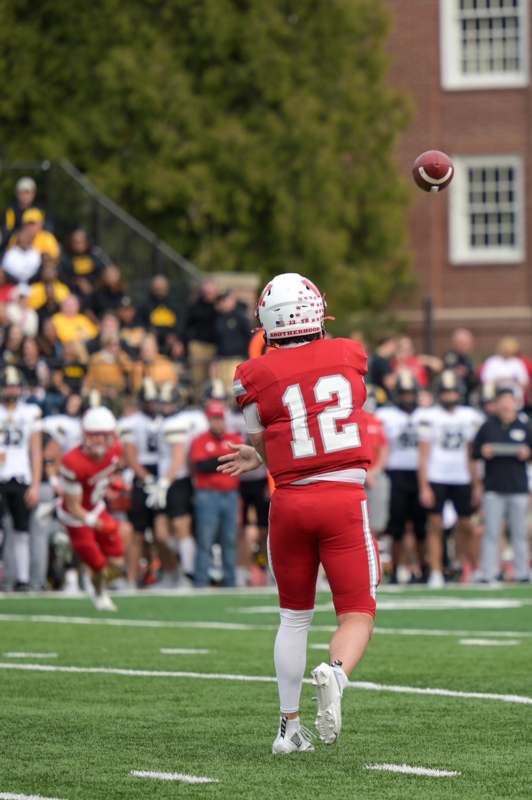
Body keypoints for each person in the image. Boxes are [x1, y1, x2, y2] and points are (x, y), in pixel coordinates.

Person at [218, 273, 378, 754]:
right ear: (316, 313)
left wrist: (258, 458)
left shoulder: (252, 373)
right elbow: (330, 413)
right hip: (343, 497)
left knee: (293, 618)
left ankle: (288, 730)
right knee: (358, 613)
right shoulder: (349, 353)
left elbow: (266, 438)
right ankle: (335, 671)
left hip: (289, 501)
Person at [58, 406, 129, 611]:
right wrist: (95, 523)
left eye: (104, 435)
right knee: (98, 564)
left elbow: (106, 474)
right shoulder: (73, 462)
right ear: (85, 435)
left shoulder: (115, 451)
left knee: (117, 563)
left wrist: (114, 483)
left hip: (96, 507)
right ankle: (99, 594)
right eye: (94, 435)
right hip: (77, 518)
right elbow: (73, 506)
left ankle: (96, 585)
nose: (99, 440)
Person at [417, 370, 483, 587]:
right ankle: (436, 571)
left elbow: (473, 454)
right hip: (437, 475)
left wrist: (476, 483)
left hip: (462, 476)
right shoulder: (429, 416)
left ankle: (467, 567)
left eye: (453, 391)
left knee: (466, 525)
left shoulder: (470, 416)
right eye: (446, 392)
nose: (450, 396)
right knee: (435, 524)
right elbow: (424, 454)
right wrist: (424, 485)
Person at [119, 379, 176, 586]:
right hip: (143, 479)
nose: (152, 405)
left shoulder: (165, 422)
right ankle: (131, 579)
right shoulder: (131, 423)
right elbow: (131, 457)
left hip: (161, 479)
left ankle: (171, 574)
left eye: (154, 401)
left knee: (162, 533)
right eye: (148, 401)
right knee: (137, 533)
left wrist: (162, 481)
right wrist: (148, 479)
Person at [472, 388, 532, 584]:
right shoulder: (488, 426)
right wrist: (483, 451)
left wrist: (527, 453)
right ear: (496, 405)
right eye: (502, 402)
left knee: (519, 533)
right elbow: (474, 451)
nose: (506, 406)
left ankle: (522, 572)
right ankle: (489, 572)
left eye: (509, 401)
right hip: (494, 488)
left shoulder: (524, 426)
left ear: (515, 403)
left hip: (518, 488)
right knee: (491, 532)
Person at [376, 372, 427, 583]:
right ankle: (395, 569)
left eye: (410, 393)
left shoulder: (426, 415)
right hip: (395, 473)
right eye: (403, 394)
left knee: (421, 527)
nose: (407, 398)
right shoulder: (386, 415)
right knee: (395, 526)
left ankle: (424, 570)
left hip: (420, 474)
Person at [157, 381, 206, 584]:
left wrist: (165, 482)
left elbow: (178, 457)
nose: (166, 406)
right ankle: (177, 568)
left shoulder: (175, 423)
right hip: (171, 480)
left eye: (169, 403)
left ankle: (187, 573)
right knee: (161, 530)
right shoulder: (182, 420)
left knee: (180, 526)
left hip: (176, 480)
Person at [191, 400, 242, 588]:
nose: (217, 423)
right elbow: (200, 466)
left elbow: (239, 462)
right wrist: (224, 461)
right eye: (214, 419)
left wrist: (215, 462)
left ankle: (230, 582)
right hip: (208, 494)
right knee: (205, 539)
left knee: (229, 539)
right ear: (208, 420)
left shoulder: (234, 438)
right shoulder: (200, 440)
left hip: (230, 494)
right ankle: (201, 582)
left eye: (219, 419)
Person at [0, 366, 42, 590]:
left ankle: (23, 580)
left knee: (21, 529)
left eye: (14, 385)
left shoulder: (30, 412)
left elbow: (36, 450)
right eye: (8, 386)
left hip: (20, 475)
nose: (11, 390)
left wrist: (35, 484)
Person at [184, 278, 219, 401]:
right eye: (207, 292)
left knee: (215, 378)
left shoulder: (220, 306)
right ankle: (198, 400)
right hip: (199, 345)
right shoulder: (195, 306)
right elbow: (187, 325)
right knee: (198, 378)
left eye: (212, 292)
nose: (209, 294)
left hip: (216, 346)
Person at [214, 290, 251, 397]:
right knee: (222, 389)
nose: (224, 303)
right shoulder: (219, 318)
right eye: (222, 301)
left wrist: (246, 358)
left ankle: (237, 410)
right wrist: (216, 359)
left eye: (226, 300)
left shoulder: (241, 317)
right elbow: (219, 340)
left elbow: (248, 337)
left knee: (235, 389)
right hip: (222, 359)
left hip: (237, 359)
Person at [480, 337, 529, 408]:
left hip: (514, 397)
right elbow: (486, 381)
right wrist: (489, 401)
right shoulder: (492, 361)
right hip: (495, 397)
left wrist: (511, 381)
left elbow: (524, 381)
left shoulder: (517, 363)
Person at [60, 228, 105, 298]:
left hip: (95, 293)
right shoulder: (66, 258)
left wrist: (93, 286)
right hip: (74, 294)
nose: (78, 245)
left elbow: (102, 273)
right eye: (75, 242)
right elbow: (63, 277)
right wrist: (78, 282)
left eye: (81, 242)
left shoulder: (94, 256)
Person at [138, 274, 181, 346]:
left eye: (162, 286)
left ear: (167, 287)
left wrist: (176, 338)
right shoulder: (145, 306)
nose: (159, 288)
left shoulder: (175, 305)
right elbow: (142, 325)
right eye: (157, 286)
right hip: (152, 341)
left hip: (171, 341)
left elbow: (180, 325)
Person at [442, 328, 477, 403]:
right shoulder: (450, 356)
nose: (464, 346)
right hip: (454, 397)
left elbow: (473, 377)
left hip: (468, 395)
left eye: (467, 343)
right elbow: (450, 372)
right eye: (462, 343)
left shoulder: (468, 358)